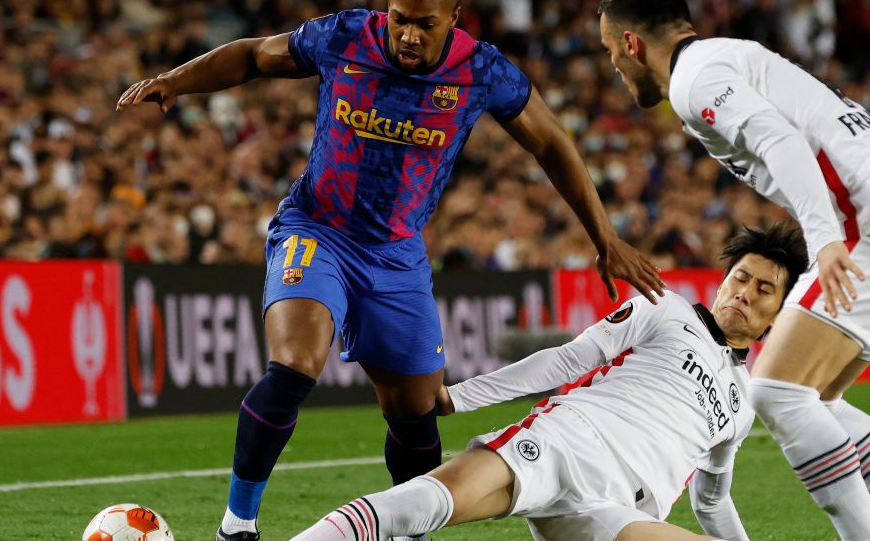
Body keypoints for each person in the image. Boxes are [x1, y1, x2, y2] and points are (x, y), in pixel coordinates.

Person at [116, 0, 665, 541]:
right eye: (399, 18)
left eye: (424, 24)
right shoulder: (345, 36)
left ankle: (411, 533)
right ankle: (236, 526)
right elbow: (254, 55)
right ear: (387, 4)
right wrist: (178, 80)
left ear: (454, 17)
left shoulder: (482, 71)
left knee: (416, 411)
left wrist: (605, 237)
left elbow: (552, 143)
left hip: (396, 255)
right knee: (295, 365)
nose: (407, 35)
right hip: (317, 230)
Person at [595, 0, 870, 541]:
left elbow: (782, 141)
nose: (613, 65)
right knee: (817, 399)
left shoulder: (696, 80)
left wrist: (825, 239)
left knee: (774, 389)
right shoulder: (726, 57)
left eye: (610, 50)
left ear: (632, 44)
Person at [291, 223, 809, 541]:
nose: (744, 293)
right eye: (740, 277)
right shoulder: (666, 309)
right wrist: (459, 397)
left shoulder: (742, 406)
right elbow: (568, 360)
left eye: (764, 289)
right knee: (425, 503)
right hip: (567, 443)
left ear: (778, 315)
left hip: (618, 512)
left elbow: (712, 500)